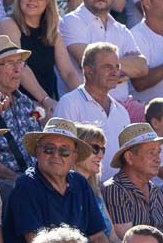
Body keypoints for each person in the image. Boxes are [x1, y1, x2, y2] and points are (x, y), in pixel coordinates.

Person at [1, 116, 116, 243]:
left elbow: (97, 237)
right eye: (49, 149)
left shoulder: (80, 183)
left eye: (64, 151)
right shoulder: (25, 186)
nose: (56, 155)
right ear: (37, 152)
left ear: (74, 157)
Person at [60, 0, 149, 112]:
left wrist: (106, 67)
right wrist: (122, 71)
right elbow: (88, 61)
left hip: (124, 105)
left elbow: (142, 67)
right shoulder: (71, 21)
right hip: (86, 106)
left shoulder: (121, 29)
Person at [0, 33, 45, 179]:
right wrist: (17, 181)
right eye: (10, 63)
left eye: (20, 62)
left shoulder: (25, 101)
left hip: (35, 182)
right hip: (3, 185)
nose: (18, 69)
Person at [102, 122, 163, 243]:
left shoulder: (157, 191)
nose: (158, 159)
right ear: (129, 158)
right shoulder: (115, 190)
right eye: (151, 152)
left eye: (158, 152)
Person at [53, 41, 131, 175]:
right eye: (107, 67)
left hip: (114, 192)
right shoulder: (69, 103)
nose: (115, 72)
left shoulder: (122, 112)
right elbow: (60, 152)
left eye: (117, 66)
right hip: (81, 191)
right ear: (88, 71)